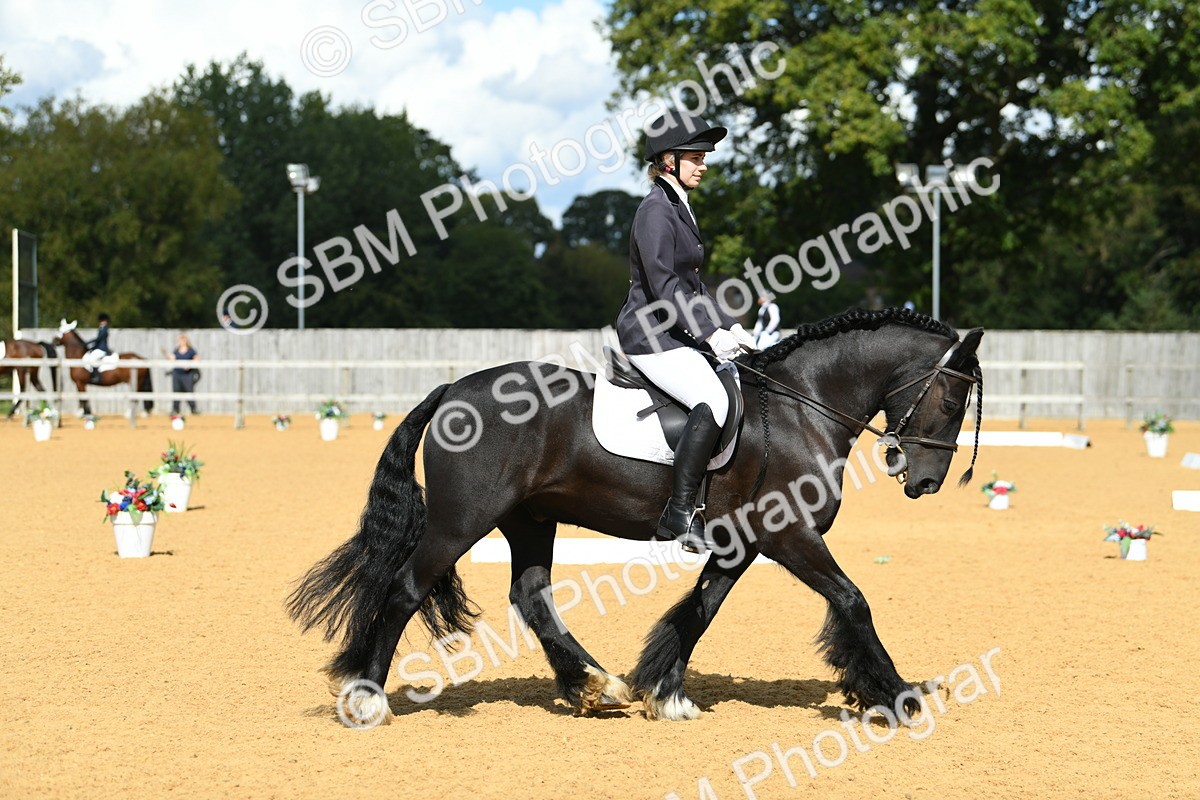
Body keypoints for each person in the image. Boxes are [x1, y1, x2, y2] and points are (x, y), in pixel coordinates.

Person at [613, 110, 757, 554]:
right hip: (650, 335)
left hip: (674, 332)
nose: (705, 163)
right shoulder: (655, 210)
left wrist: (728, 326)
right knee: (712, 399)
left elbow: (693, 285)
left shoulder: (678, 206)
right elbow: (664, 284)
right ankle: (680, 514)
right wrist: (710, 335)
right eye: (696, 156)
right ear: (668, 160)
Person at [168, 333, 200, 414]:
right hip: (177, 374)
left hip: (187, 375)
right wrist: (171, 358)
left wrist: (189, 365)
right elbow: (172, 358)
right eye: (180, 340)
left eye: (183, 340)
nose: (181, 342)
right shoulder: (176, 350)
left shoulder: (190, 350)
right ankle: (175, 409)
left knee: (189, 391)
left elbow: (197, 358)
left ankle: (193, 409)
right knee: (176, 391)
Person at [84, 313, 112, 384]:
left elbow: (99, 339)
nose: (103, 322)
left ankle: (96, 376)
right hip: (99, 348)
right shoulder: (101, 328)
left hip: (102, 349)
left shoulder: (104, 329)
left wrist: (90, 342)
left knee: (92, 359)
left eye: (104, 320)